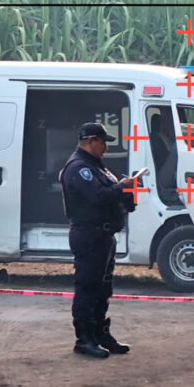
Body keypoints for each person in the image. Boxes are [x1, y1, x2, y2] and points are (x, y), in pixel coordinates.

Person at [59, 122, 136, 359]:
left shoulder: (97, 167)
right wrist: (120, 187)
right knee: (88, 288)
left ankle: (100, 334)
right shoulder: (78, 168)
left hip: (104, 236)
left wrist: (126, 189)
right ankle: (84, 339)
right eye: (103, 142)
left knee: (103, 288)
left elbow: (111, 194)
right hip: (89, 235)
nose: (106, 147)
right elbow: (98, 197)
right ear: (91, 141)